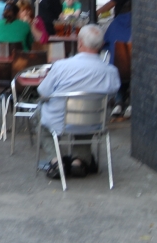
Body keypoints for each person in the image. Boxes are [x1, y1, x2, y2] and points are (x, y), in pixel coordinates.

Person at [37, 24, 120, 178]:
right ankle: (79, 161)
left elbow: (43, 91)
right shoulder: (111, 71)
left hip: (59, 121)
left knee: (39, 114)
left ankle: (57, 161)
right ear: (101, 45)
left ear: (79, 42)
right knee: (88, 115)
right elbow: (113, 96)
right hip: (93, 122)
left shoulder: (61, 66)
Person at [97, 0, 132, 115]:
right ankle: (121, 99)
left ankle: (118, 98)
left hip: (124, 23)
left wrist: (96, 11)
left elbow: (112, 3)